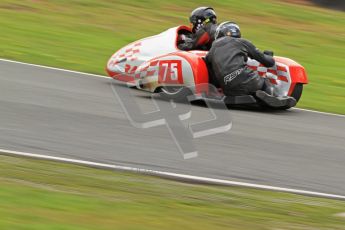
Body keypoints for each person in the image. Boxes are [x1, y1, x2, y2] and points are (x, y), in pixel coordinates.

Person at [205, 21, 296, 108]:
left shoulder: (213, 48)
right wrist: (268, 55)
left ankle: (253, 96)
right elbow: (269, 62)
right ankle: (272, 95)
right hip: (247, 79)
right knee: (264, 81)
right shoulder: (242, 42)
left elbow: (209, 66)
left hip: (227, 88)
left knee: (241, 83)